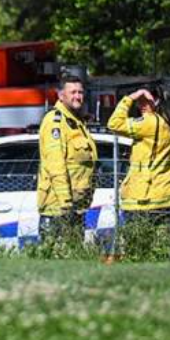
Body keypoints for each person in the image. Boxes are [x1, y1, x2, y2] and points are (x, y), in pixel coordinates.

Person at [107, 88, 170, 234]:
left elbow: (114, 123)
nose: (141, 104)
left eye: (146, 100)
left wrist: (130, 97)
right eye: (139, 101)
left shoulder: (150, 121)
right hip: (168, 197)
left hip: (145, 198)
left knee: (139, 249)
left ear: (157, 101)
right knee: (165, 248)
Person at [37, 76, 98, 235]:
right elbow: (56, 166)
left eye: (80, 92)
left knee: (73, 258)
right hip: (58, 209)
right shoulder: (55, 122)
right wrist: (66, 205)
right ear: (61, 96)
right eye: (73, 92)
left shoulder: (77, 123)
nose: (78, 96)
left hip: (76, 207)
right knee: (55, 258)